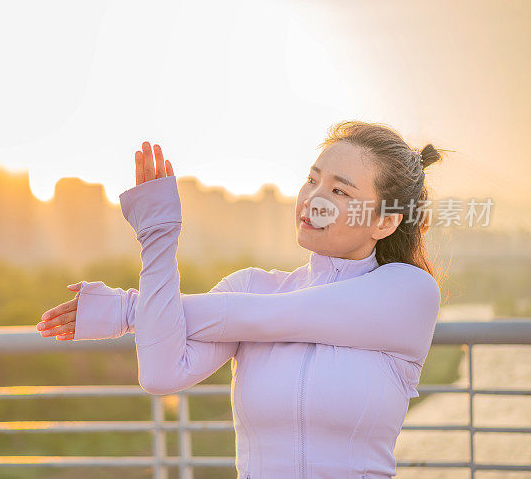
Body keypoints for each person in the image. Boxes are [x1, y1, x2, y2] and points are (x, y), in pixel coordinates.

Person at [36, 120, 447, 479]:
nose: (312, 199)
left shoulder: (409, 293)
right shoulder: (250, 287)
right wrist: (158, 234)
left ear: (385, 221)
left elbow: (275, 318)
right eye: (312, 179)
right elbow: (161, 374)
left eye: (339, 191)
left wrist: (128, 310)